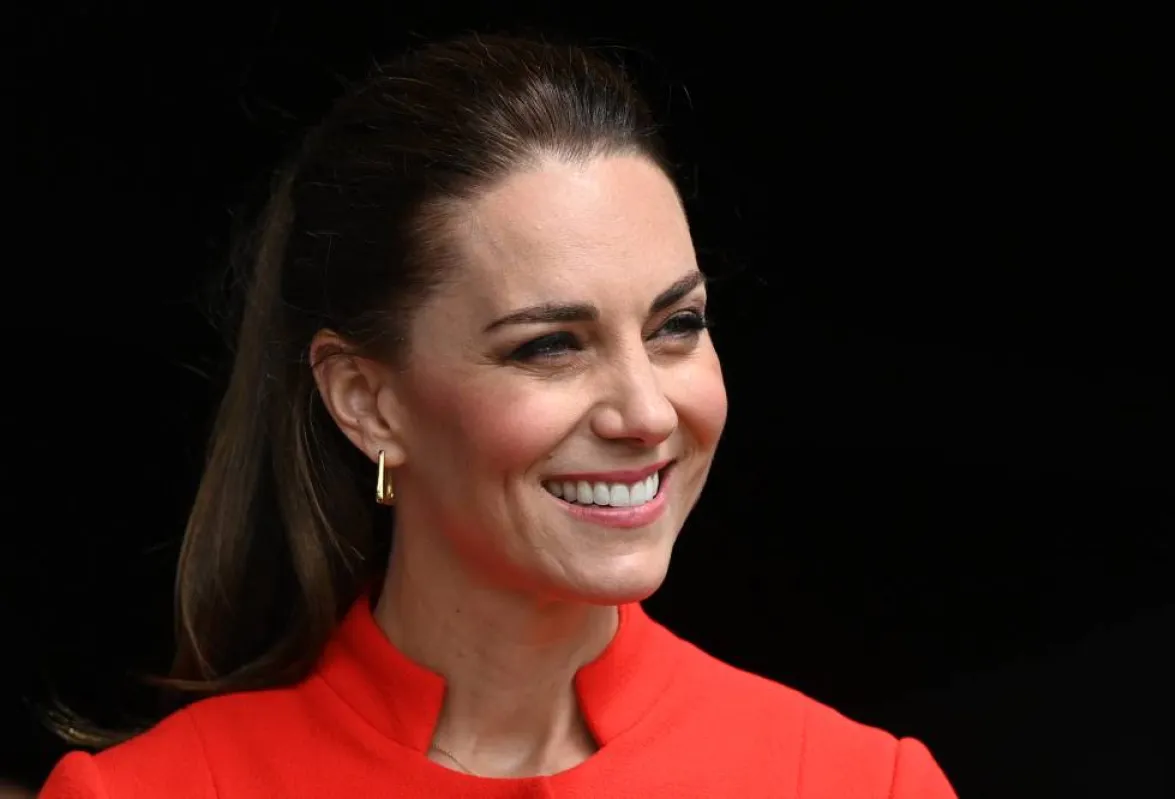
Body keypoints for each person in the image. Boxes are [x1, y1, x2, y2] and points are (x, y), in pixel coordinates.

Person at [39, 32, 956, 797]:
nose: (645, 410)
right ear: (368, 399)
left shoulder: (860, 782)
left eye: (677, 325)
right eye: (550, 345)